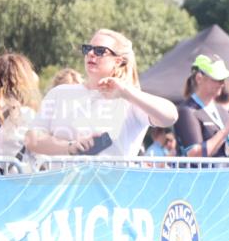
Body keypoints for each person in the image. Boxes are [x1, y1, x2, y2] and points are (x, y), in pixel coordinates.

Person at [27, 29, 177, 157]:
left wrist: (126, 92)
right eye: (87, 49)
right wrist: (70, 147)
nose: (91, 54)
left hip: (111, 189)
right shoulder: (60, 93)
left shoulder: (130, 99)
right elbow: (32, 139)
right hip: (63, 189)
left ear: (118, 61)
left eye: (100, 51)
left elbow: (170, 116)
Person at [174, 54, 229, 158]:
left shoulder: (222, 111)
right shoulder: (187, 111)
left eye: (223, 80)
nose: (222, 84)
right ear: (199, 78)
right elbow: (194, 155)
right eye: (218, 79)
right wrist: (226, 130)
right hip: (198, 174)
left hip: (222, 173)